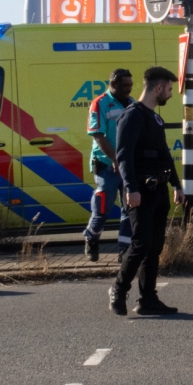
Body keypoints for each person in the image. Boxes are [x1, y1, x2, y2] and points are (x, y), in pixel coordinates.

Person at [109, 67, 185, 317]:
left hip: (158, 189)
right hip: (139, 190)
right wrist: (130, 188)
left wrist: (176, 184)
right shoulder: (132, 116)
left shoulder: (155, 118)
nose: (171, 94)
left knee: (154, 246)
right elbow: (123, 157)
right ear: (158, 88)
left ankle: (148, 299)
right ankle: (118, 290)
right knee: (140, 244)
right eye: (170, 89)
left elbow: (164, 155)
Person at [83, 68, 134, 262]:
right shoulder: (100, 104)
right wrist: (115, 159)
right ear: (113, 84)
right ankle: (91, 238)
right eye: (124, 86)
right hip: (106, 164)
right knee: (102, 209)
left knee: (129, 208)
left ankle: (124, 250)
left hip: (127, 164)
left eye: (130, 85)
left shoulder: (132, 104)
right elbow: (98, 135)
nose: (129, 89)